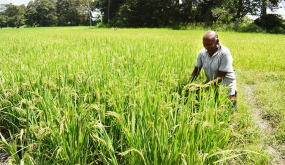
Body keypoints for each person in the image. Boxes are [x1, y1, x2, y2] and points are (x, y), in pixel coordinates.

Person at [189, 30, 237, 110]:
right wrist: (189, 84)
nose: (206, 47)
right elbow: (196, 71)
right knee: (215, 109)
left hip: (227, 87)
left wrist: (203, 86)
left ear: (217, 41)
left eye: (209, 44)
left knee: (229, 112)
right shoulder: (202, 53)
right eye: (204, 44)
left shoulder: (225, 53)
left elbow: (220, 77)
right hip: (212, 86)